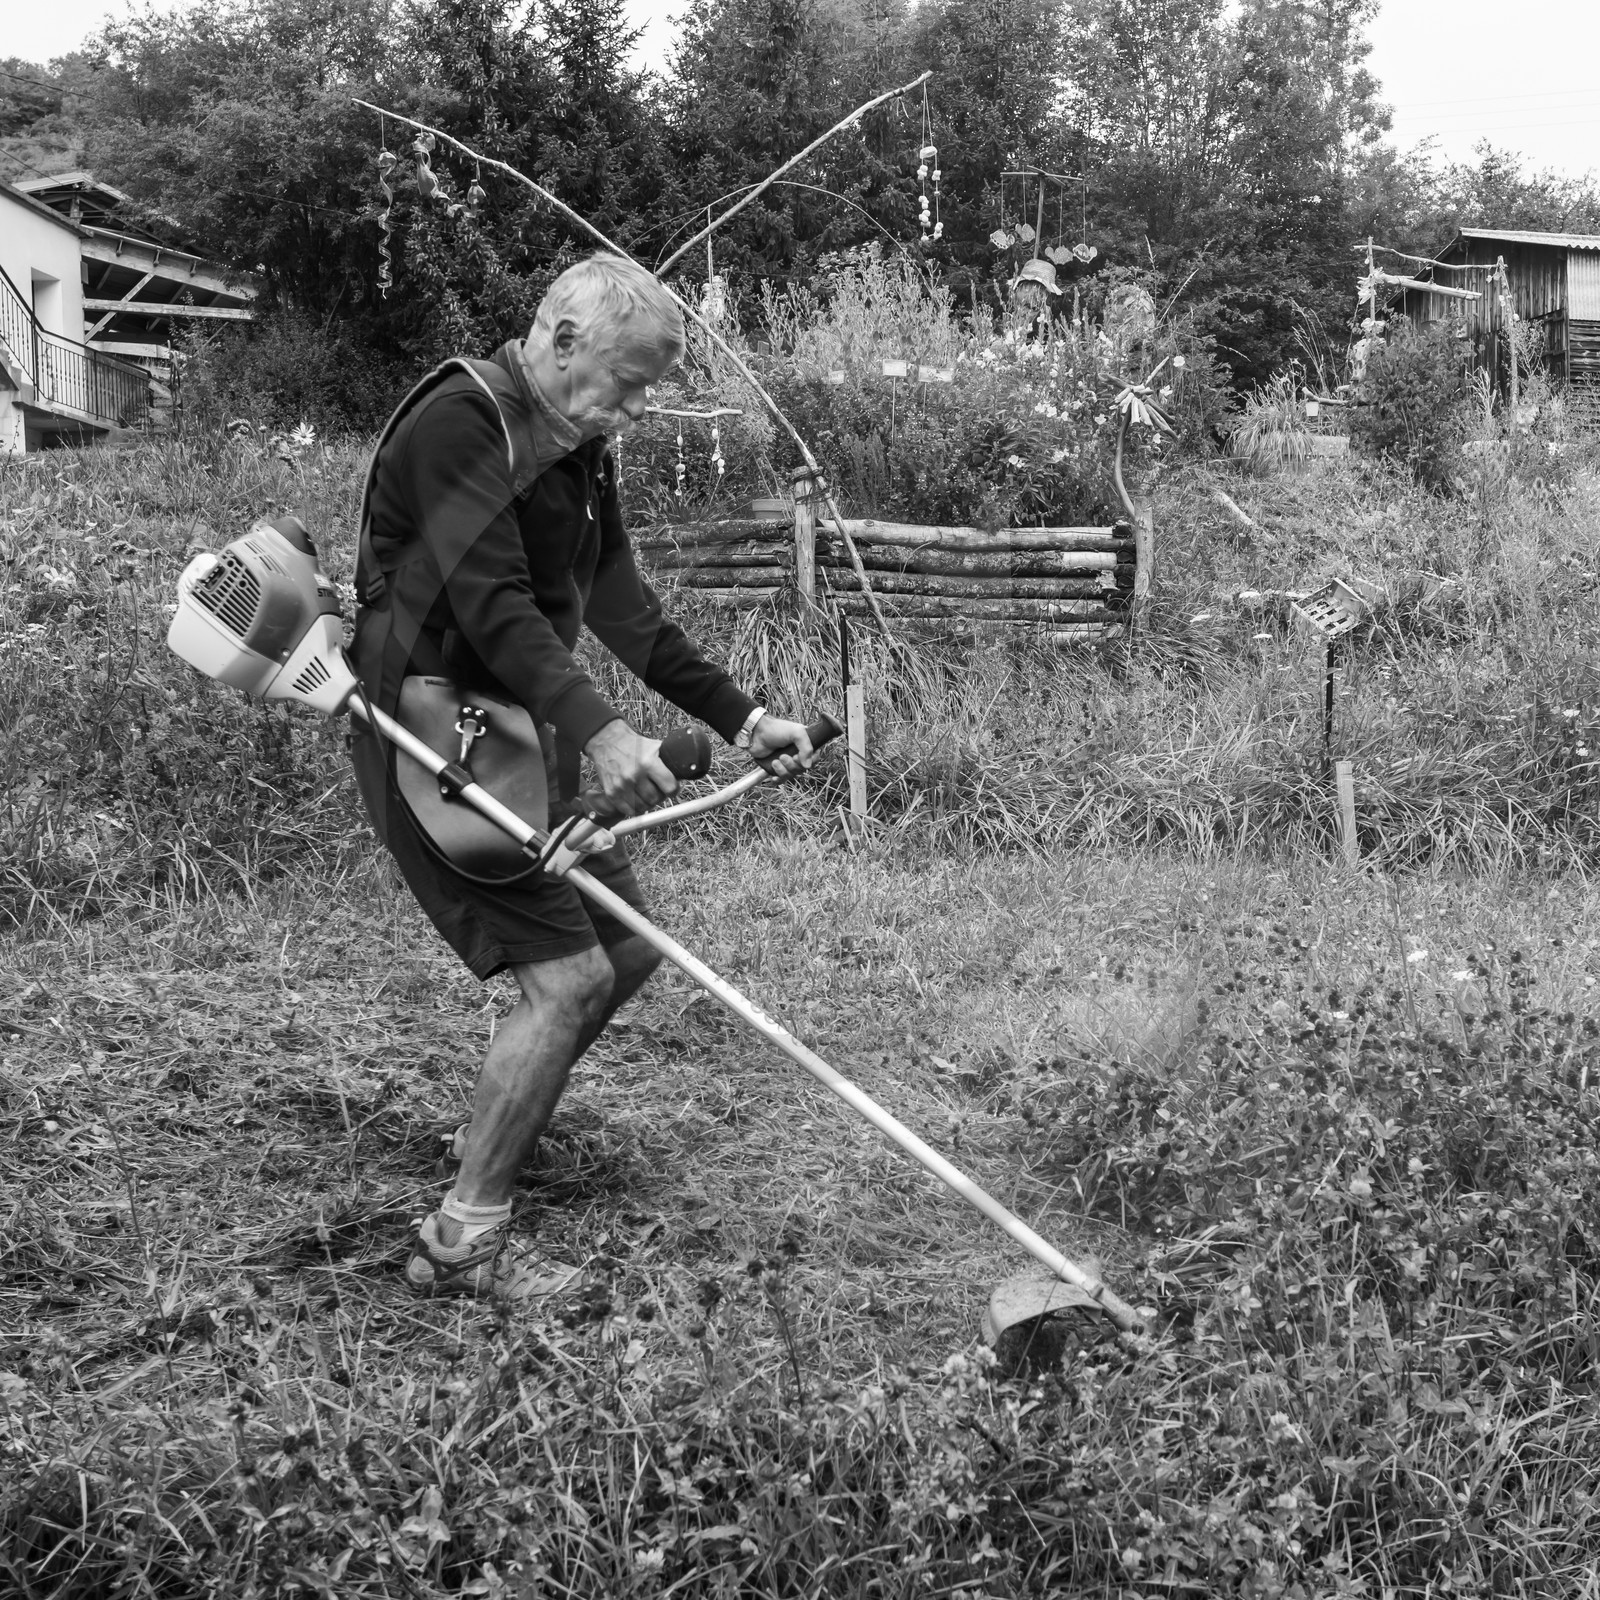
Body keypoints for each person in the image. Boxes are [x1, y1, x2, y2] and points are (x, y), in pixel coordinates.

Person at [349, 253, 815, 1302]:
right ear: (562, 341)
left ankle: (498, 1132)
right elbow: (491, 604)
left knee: (624, 946)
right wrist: (602, 732)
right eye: (630, 382)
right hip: (434, 730)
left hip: (516, 721)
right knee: (569, 980)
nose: (637, 409)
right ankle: (462, 1243)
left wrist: (743, 719)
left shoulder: (574, 443)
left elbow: (621, 607)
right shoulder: (463, 421)